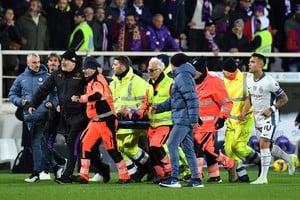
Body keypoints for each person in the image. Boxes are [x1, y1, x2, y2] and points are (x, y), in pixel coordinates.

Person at [28, 48, 110, 184]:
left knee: (72, 143)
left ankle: (67, 175)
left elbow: (100, 83)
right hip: (65, 117)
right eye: (63, 60)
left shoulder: (83, 73)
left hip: (82, 117)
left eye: (66, 60)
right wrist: (33, 104)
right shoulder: (57, 74)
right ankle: (102, 168)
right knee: (85, 147)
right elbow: (44, 89)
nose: (63, 62)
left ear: (73, 62)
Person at [70, 57, 131, 184]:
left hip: (106, 121)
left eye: (87, 68)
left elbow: (97, 96)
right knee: (84, 145)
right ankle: (83, 175)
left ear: (93, 69)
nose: (84, 70)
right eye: (84, 68)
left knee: (112, 148)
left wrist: (80, 99)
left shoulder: (98, 80)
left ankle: (124, 176)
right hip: (95, 121)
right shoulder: (92, 80)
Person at [241, 53, 298, 184]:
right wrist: (244, 112)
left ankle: (263, 178)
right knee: (269, 147)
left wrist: (271, 109)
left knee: (263, 144)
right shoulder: (249, 80)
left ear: (261, 64)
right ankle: (289, 159)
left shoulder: (269, 81)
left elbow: (284, 98)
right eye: (249, 62)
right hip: (257, 118)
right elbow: (250, 98)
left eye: (253, 62)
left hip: (270, 117)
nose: (249, 64)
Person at [152, 53, 204, 188]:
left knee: (171, 145)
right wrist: (158, 108)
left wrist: (193, 120)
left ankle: (174, 178)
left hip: (183, 118)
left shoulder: (182, 77)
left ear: (173, 64)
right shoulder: (183, 76)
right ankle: (196, 179)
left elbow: (192, 99)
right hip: (184, 117)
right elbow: (175, 100)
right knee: (188, 149)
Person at [118, 57, 173, 183]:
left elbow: (175, 102)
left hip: (166, 122)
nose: (149, 72)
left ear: (160, 70)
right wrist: (139, 113)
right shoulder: (149, 84)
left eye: (152, 70)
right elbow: (146, 103)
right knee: (152, 149)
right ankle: (161, 174)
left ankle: (170, 172)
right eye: (148, 70)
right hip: (153, 123)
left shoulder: (170, 83)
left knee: (156, 146)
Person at [9, 53, 61, 182]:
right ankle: (56, 166)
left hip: (43, 115)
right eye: (34, 63)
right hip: (29, 116)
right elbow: (12, 94)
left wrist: (53, 104)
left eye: (38, 62)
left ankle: (36, 173)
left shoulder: (48, 77)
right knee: (40, 144)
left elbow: (56, 94)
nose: (37, 65)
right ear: (28, 63)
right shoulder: (21, 78)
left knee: (36, 143)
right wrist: (19, 101)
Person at [191, 56, 236, 183]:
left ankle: (197, 177)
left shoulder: (214, 82)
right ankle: (218, 173)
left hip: (210, 124)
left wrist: (222, 118)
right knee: (209, 150)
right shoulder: (193, 81)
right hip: (196, 125)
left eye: (195, 70)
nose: (192, 73)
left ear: (201, 70)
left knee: (198, 148)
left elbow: (227, 103)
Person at [109, 55, 152, 182]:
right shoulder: (114, 83)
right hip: (120, 122)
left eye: (115, 64)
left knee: (125, 147)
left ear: (123, 66)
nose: (112, 67)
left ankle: (141, 171)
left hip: (135, 122)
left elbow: (146, 102)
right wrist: (117, 112)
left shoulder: (137, 82)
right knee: (119, 148)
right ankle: (138, 172)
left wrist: (131, 112)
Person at [222, 57, 261, 183]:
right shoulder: (225, 81)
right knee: (228, 149)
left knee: (238, 147)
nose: (223, 73)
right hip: (231, 120)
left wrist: (244, 112)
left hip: (245, 119)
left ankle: (261, 162)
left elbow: (253, 97)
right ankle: (242, 175)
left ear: (232, 71)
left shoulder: (247, 78)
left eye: (225, 71)